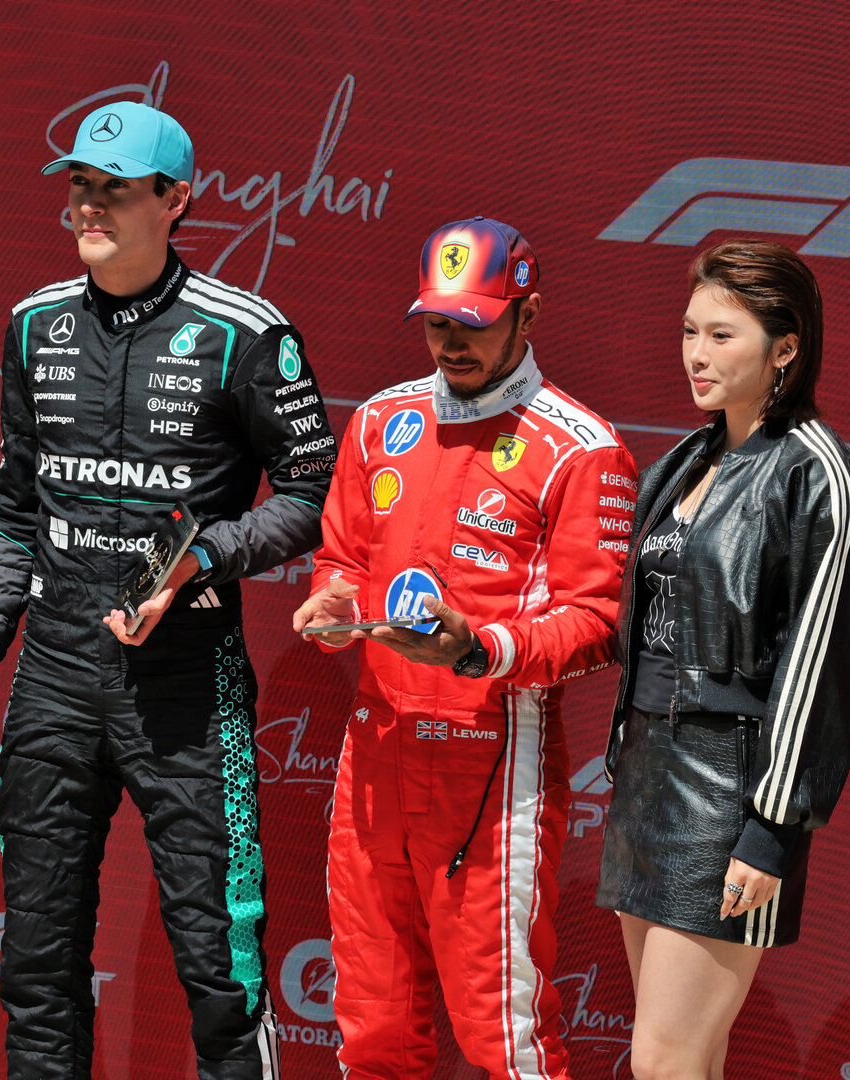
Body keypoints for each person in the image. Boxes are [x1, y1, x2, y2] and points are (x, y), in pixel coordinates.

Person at [0, 101, 335, 1079]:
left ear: (174, 200)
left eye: (114, 189)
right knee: (35, 967)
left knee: (224, 971)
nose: (89, 205)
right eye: (80, 185)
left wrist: (207, 556)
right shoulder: (34, 325)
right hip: (57, 679)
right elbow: (12, 507)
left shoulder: (244, 333)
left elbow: (312, 496)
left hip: (189, 687)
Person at [293, 217, 637, 1078]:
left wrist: (477, 649)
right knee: (373, 1030)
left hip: (491, 763)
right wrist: (330, 599)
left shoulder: (582, 449)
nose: (453, 341)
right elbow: (339, 557)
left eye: (476, 322)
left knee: (503, 1037)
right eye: (438, 321)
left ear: (529, 314)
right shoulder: (380, 421)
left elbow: (596, 626)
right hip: (374, 750)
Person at [595, 239, 850, 1080]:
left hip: (732, 788)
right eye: (689, 331)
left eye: (722, 335)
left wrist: (772, 828)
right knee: (688, 1059)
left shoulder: (820, 476)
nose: (695, 353)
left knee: (665, 1061)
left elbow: (819, 669)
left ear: (785, 347)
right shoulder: (684, 461)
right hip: (648, 774)